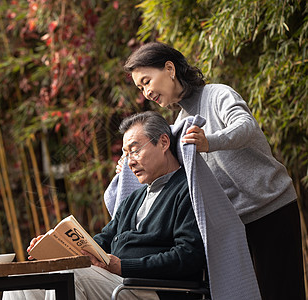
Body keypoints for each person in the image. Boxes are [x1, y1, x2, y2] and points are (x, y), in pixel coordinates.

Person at [120, 41, 304, 300]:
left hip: (271, 208)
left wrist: (210, 141)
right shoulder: (180, 125)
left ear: (169, 69)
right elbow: (168, 172)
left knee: (282, 292)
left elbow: (246, 126)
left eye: (147, 81)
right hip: (232, 226)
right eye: (140, 88)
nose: (146, 93)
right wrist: (128, 165)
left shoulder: (218, 95)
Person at [3, 111, 206, 300]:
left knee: (68, 276)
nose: (130, 162)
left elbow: (189, 256)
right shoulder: (133, 199)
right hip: (120, 282)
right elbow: (103, 240)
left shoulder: (187, 190)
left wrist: (122, 266)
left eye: (135, 151)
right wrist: (60, 247)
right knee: (21, 280)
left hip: (154, 289)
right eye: (126, 155)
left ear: (163, 142)